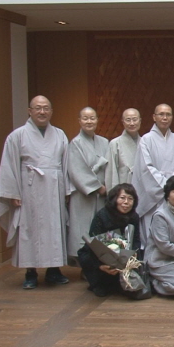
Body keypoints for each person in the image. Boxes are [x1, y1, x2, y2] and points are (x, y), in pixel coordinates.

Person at [0, 95, 70, 289]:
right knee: (29, 228)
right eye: (38, 108)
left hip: (54, 188)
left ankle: (54, 269)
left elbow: (66, 164)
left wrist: (67, 190)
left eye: (46, 108)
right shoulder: (17, 136)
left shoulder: (60, 135)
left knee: (54, 227)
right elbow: (9, 165)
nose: (42, 112)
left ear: (51, 111)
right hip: (29, 189)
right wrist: (13, 193)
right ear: (30, 111)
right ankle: (30, 272)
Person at [133, 104, 174, 250]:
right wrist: (167, 187)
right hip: (153, 197)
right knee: (152, 232)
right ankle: (151, 260)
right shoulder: (146, 140)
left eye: (168, 114)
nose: (165, 118)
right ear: (154, 117)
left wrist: (173, 189)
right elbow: (146, 168)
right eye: (161, 114)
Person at [78, 183, 148, 298]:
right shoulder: (102, 215)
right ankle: (98, 283)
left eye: (130, 199)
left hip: (124, 257)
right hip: (101, 256)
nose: (126, 202)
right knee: (86, 256)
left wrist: (130, 258)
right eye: (122, 198)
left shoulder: (134, 216)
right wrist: (101, 265)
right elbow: (93, 243)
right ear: (114, 199)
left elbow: (136, 240)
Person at [65, 107, 109, 263]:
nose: (89, 121)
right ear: (79, 121)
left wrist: (107, 187)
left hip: (103, 194)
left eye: (92, 118)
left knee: (101, 229)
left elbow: (110, 168)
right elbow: (76, 170)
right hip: (84, 194)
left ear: (97, 120)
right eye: (85, 118)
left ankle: (102, 263)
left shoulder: (104, 142)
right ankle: (84, 264)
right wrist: (97, 187)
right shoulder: (75, 143)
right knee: (82, 228)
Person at [105, 108, 142, 190]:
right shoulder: (115, 143)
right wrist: (115, 194)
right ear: (123, 122)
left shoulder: (145, 142)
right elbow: (112, 173)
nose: (132, 123)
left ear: (140, 121)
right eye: (128, 120)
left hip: (142, 188)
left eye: (134, 119)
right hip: (123, 190)